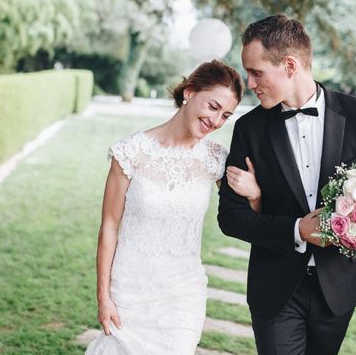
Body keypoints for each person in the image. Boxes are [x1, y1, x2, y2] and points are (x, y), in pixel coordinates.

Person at [219, 15, 356, 355]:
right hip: (276, 288)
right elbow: (229, 217)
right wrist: (297, 230)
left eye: (256, 72)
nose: (250, 82)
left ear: (289, 65)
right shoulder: (249, 128)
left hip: (341, 288)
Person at [86, 59, 244, 355]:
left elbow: (246, 215)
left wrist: (255, 192)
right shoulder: (129, 152)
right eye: (213, 106)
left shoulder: (216, 160)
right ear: (189, 92)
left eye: (226, 115)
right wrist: (103, 296)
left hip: (183, 293)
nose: (216, 121)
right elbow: (109, 226)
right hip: (129, 288)